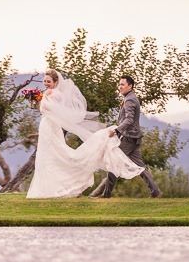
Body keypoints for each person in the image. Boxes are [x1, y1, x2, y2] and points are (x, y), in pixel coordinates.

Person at [26, 70, 143, 199]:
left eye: (49, 81)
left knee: (52, 156)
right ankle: (56, 187)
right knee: (52, 155)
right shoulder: (57, 94)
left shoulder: (50, 94)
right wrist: (37, 99)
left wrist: (37, 100)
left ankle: (57, 187)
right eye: (45, 81)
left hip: (49, 126)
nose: (46, 83)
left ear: (55, 82)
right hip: (51, 126)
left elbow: (44, 110)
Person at [89, 75, 161, 198]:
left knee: (113, 161)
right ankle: (155, 192)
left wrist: (116, 130)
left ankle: (107, 194)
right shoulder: (130, 98)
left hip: (129, 138)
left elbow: (129, 119)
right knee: (139, 166)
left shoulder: (130, 100)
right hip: (134, 137)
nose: (120, 87)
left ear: (130, 86)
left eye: (122, 84)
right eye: (119, 84)